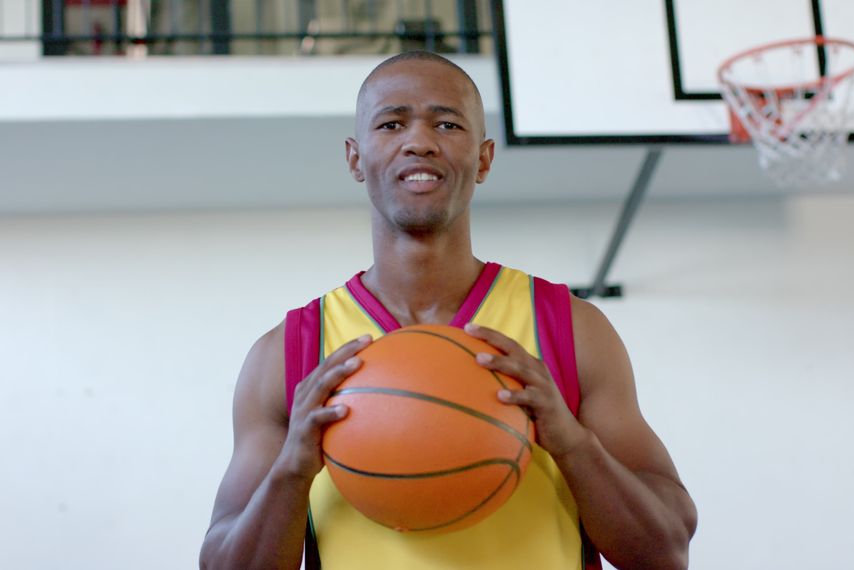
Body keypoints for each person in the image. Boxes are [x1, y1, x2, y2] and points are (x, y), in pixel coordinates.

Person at [199, 51, 697, 570]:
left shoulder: (569, 329)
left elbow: (665, 550)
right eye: (391, 123)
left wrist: (572, 444)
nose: (419, 141)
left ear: (483, 159)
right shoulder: (290, 353)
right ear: (355, 158)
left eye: (447, 124)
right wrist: (291, 470)